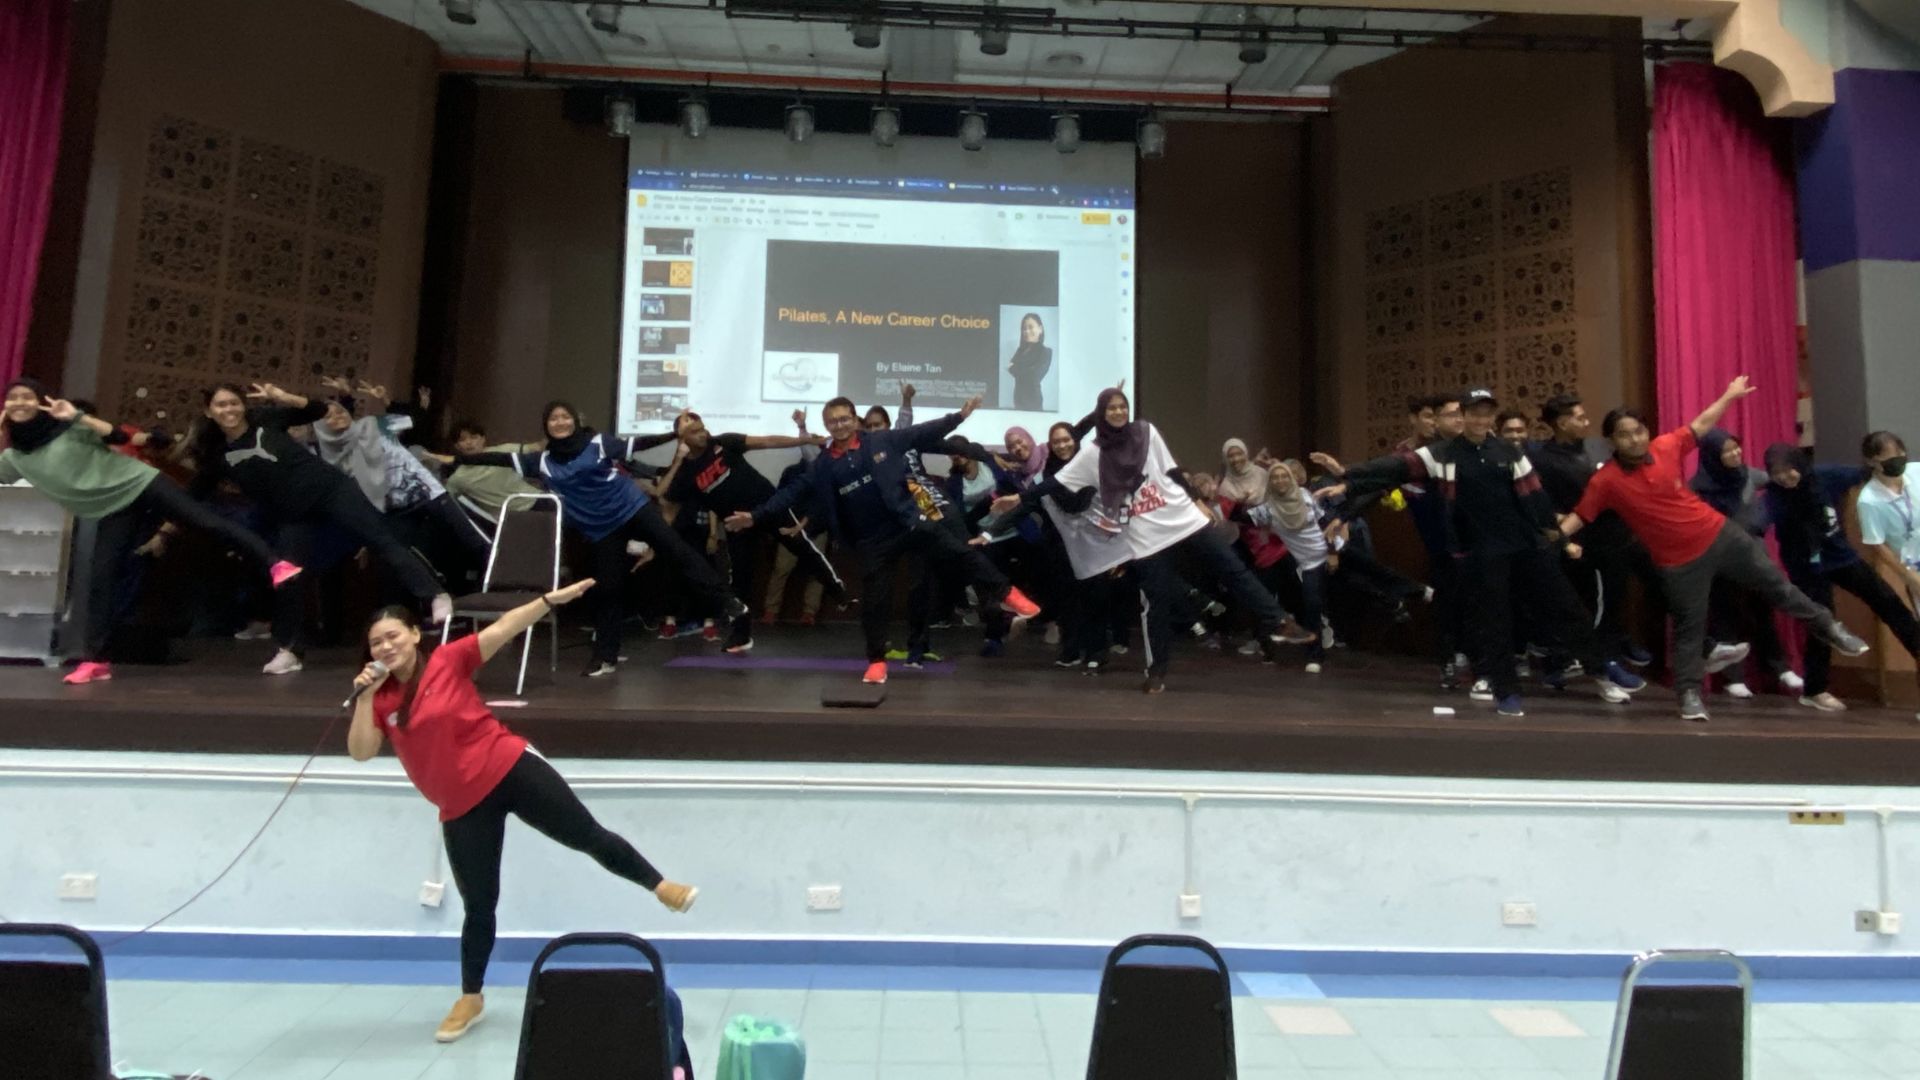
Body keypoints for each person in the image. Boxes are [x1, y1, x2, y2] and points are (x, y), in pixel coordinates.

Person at [347, 582, 698, 1044]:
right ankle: (471, 996)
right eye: (376, 642)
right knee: (479, 904)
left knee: (586, 834)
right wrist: (366, 697)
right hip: (461, 805)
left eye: (393, 636)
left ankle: (660, 885)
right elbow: (361, 752)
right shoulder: (380, 699)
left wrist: (549, 602)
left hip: (508, 766)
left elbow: (505, 627)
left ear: (415, 634)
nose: (386, 647)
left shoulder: (448, 660)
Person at [1558, 377, 1870, 722]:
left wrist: (1730, 395)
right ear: (1611, 441)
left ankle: (1831, 629)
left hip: (1721, 536)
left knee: (1777, 587)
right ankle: (1689, 695)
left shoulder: (1666, 446)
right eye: (1624, 435)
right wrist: (1552, 537)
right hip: (1678, 563)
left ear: (1647, 431)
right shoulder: (1605, 481)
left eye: (1639, 431)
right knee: (1690, 628)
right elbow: (1580, 516)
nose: (1634, 439)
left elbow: (1702, 423)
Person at [1330, 387, 1638, 717]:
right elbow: (1396, 467)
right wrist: (1349, 478)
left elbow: (1537, 500)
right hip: (1481, 552)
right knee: (1494, 622)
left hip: (1527, 546)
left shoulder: (1508, 451)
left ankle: (1602, 671)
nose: (1480, 419)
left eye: (1486, 413)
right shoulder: (1443, 453)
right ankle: (1506, 691)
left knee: (1566, 608)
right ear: (1463, 416)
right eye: (1473, 413)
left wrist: (1561, 540)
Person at [992, 388, 1304, 693]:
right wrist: (1016, 499)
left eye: (1122, 406)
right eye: (1111, 408)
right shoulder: (1092, 454)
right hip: (1145, 534)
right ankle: (1156, 672)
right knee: (1156, 603)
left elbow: (1172, 470)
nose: (1118, 412)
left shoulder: (1146, 432)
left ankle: (1278, 622)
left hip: (1180, 517)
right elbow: (1051, 485)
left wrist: (1196, 500)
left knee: (1231, 567)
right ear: (1102, 414)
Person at [726, 395, 1040, 685]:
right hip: (872, 542)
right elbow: (791, 493)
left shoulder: (882, 440)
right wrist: (756, 516)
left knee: (958, 551)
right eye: (833, 421)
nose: (840, 425)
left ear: (855, 420)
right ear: (826, 425)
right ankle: (877, 661)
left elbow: (922, 432)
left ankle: (1008, 594)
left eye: (844, 418)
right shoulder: (823, 465)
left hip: (907, 523)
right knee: (875, 603)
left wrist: (959, 416)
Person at [1, 381, 301, 684]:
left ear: (41, 402)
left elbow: (119, 436)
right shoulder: (14, 459)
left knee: (206, 522)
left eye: (27, 397)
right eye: (13, 398)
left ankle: (276, 563)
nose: (20, 403)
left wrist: (76, 416)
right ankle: (95, 661)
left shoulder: (68, 429)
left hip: (139, 482)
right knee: (100, 580)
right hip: (111, 508)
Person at [450, 401, 747, 676]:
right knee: (609, 588)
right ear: (546, 426)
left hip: (632, 508)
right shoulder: (541, 461)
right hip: (602, 528)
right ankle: (605, 656)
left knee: (677, 551)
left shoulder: (598, 443)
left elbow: (640, 443)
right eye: (553, 418)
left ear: (574, 421)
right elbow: (498, 458)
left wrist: (673, 434)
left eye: (565, 416)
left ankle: (728, 603)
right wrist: (458, 458)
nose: (560, 422)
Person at [188, 382, 450, 675]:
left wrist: (283, 396)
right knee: (288, 575)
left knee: (380, 539)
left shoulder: (265, 419)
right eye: (221, 405)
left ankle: (435, 595)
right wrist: (166, 527)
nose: (229, 410)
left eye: (234, 403)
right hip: (293, 515)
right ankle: (290, 650)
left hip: (330, 490)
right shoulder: (217, 455)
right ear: (209, 411)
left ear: (243, 405)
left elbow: (319, 410)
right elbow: (192, 494)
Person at [655, 408, 845, 650]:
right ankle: (741, 635)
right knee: (740, 579)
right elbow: (663, 496)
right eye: (694, 431)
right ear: (682, 439)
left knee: (802, 547)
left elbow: (767, 441)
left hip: (767, 506)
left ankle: (837, 591)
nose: (703, 434)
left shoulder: (724, 442)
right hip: (736, 523)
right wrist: (678, 459)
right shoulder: (685, 472)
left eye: (703, 428)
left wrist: (805, 440)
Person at [1758, 443, 1915, 713]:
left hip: (1840, 556)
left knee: (1885, 597)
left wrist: (1884, 464)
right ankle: (1815, 690)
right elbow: (1758, 521)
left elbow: (1862, 473)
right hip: (1805, 567)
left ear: (1800, 464)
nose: (1784, 477)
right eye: (1777, 473)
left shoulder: (1826, 476)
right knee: (1824, 622)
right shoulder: (1773, 497)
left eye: (1789, 470)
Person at [1528, 393, 1658, 669]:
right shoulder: (1543, 459)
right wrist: (1565, 536)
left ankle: (1620, 642)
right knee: (1599, 602)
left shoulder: (1598, 447)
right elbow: (1544, 506)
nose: (1587, 422)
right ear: (1562, 423)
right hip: (1586, 543)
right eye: (1580, 418)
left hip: (1624, 533)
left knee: (1631, 593)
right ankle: (1601, 661)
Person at [1690, 429, 1799, 698]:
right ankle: (1733, 678)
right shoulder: (1698, 487)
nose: (1735, 454)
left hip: (1754, 556)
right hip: (1721, 560)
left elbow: (1776, 482)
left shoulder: (1749, 475)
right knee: (1726, 615)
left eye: (1736, 447)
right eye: (1727, 451)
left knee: (1764, 612)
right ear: (1713, 456)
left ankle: (1779, 668)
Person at [1853, 431, 1920, 721]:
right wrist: (1908, 577)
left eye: (1900, 455)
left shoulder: (1916, 473)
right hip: (1914, 566)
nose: (1897, 461)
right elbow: (1878, 546)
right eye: (1888, 458)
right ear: (1872, 461)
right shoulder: (1869, 500)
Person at [1006, 312, 1053, 411]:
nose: (1027, 331)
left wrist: (1016, 368)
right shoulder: (1021, 350)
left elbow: (1034, 376)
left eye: (1031, 327)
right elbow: (1009, 367)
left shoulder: (1045, 351)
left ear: (1040, 329)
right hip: (1018, 402)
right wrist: (1027, 369)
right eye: (1024, 328)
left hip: (1033, 403)